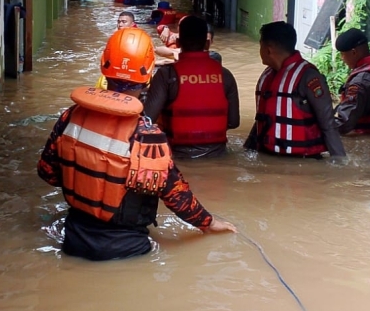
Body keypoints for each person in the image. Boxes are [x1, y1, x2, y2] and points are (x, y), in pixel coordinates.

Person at [37, 28, 237, 261]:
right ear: (149, 75)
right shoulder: (148, 135)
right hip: (129, 250)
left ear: (104, 65)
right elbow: (176, 195)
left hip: (73, 240)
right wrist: (209, 223)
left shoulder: (70, 117)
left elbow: (47, 173)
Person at [244, 21, 346, 158]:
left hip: (302, 161)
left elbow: (328, 123)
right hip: (268, 156)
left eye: (260, 45)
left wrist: (339, 162)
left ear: (268, 49)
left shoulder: (309, 77)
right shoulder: (268, 75)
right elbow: (263, 118)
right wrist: (248, 149)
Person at [144, 16, 239, 159]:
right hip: (218, 155)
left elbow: (147, 120)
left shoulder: (166, 75)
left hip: (177, 156)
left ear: (178, 42)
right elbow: (234, 122)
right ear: (207, 44)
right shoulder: (226, 75)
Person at [155, 22, 221, 63]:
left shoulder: (214, 56)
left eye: (205, 40)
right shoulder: (183, 49)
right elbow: (157, 50)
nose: (202, 42)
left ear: (210, 42)